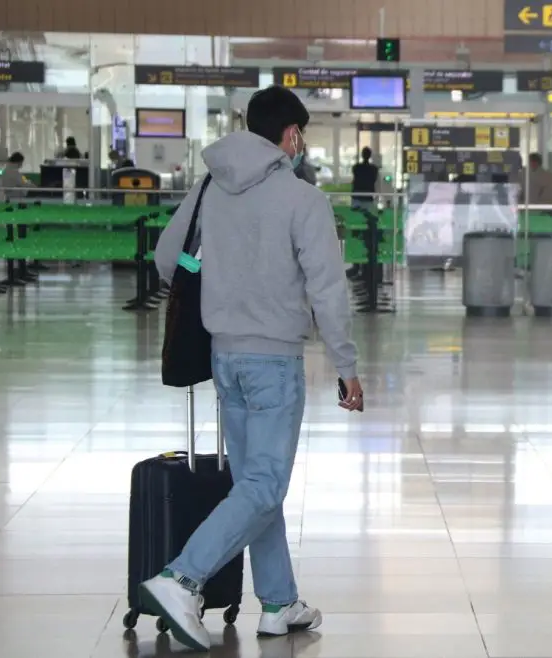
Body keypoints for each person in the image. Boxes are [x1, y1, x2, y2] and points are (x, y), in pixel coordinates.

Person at [146, 85, 363, 652]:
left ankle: (278, 601)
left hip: (224, 355)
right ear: (290, 136)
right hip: (273, 359)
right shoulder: (303, 200)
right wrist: (346, 365)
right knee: (264, 485)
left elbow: (167, 258)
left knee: (255, 485)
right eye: (301, 135)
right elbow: (328, 290)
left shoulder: (210, 187)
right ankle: (181, 578)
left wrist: (221, 285)